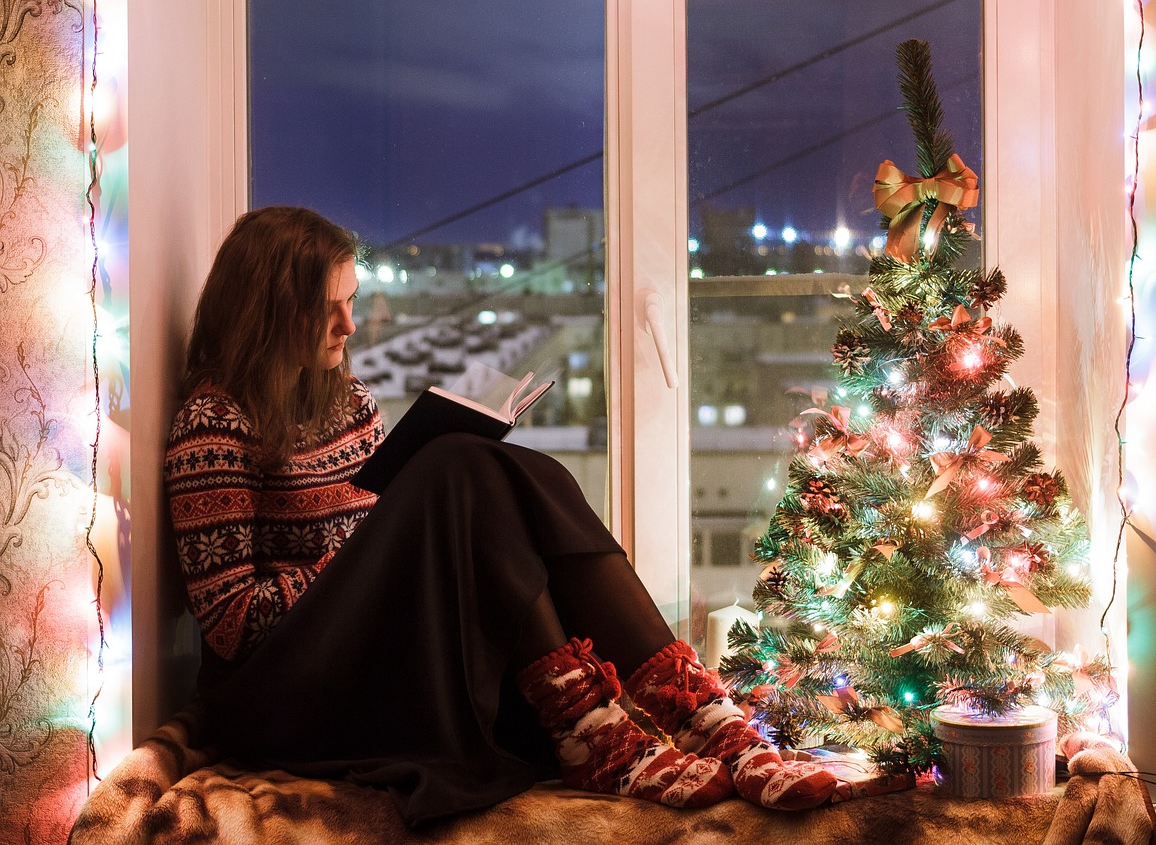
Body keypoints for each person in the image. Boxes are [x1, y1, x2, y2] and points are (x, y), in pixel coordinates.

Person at [164, 206, 847, 825]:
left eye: (350, 303)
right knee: (455, 465)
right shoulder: (213, 425)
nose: (349, 325)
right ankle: (601, 731)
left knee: (482, 469)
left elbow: (376, 540)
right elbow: (230, 628)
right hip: (280, 693)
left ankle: (697, 716)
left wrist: (385, 550)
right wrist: (364, 558)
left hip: (363, 644)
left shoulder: (350, 402)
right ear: (271, 311)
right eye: (327, 309)